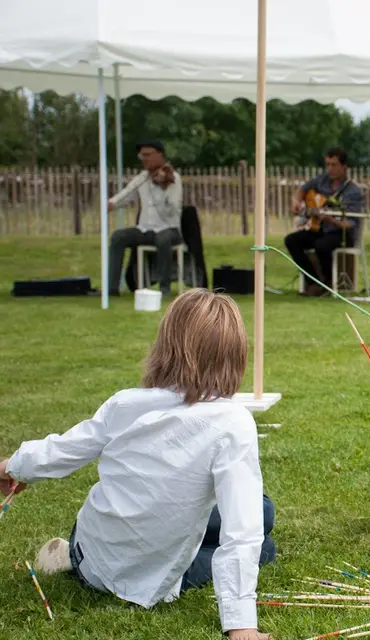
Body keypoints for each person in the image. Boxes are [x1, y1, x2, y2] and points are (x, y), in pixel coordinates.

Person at [0, 289, 276, 640]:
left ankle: (71, 555)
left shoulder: (125, 404)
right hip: (152, 578)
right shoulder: (233, 422)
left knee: (263, 509)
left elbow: (61, 450)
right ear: (235, 355)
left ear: (166, 345)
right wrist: (241, 627)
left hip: (94, 555)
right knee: (264, 538)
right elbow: (243, 531)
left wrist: (11, 467)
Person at [107, 139, 183, 297]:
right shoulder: (142, 177)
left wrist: (163, 188)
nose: (144, 159)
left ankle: (164, 288)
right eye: (142, 156)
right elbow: (128, 195)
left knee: (163, 240)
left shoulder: (173, 178)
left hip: (169, 228)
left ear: (159, 155)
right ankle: (111, 288)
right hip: (145, 229)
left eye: (148, 155)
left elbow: (172, 210)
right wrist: (112, 203)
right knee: (118, 236)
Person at [285, 147, 365, 296]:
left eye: (334, 165)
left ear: (344, 166)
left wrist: (331, 219)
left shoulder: (353, 191)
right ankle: (313, 282)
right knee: (292, 240)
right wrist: (296, 201)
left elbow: (351, 223)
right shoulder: (322, 180)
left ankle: (327, 283)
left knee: (322, 245)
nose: (330, 169)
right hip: (321, 229)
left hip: (341, 233)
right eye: (327, 164)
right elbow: (303, 189)